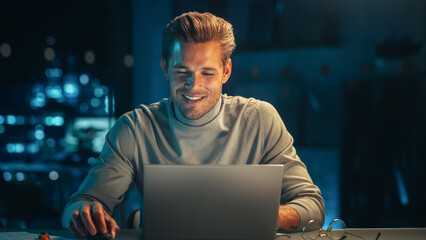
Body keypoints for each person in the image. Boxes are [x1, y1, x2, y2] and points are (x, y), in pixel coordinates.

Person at [62, 11, 325, 239]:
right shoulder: (134, 128)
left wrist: (261, 214)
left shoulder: (260, 119)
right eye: (182, 72)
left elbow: (313, 206)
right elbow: (80, 204)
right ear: (165, 68)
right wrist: (84, 213)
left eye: (207, 73)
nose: (193, 86)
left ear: (226, 71)